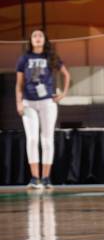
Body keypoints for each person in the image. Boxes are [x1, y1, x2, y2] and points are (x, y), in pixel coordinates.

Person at [15, 29, 70, 190]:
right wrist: (18, 102)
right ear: (30, 40)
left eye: (40, 36)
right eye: (34, 36)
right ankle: (35, 178)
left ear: (45, 40)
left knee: (47, 139)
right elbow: (19, 84)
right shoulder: (24, 59)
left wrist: (63, 93)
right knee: (32, 140)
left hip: (47, 102)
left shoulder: (51, 57)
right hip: (28, 102)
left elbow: (66, 74)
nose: (37, 38)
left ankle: (46, 178)